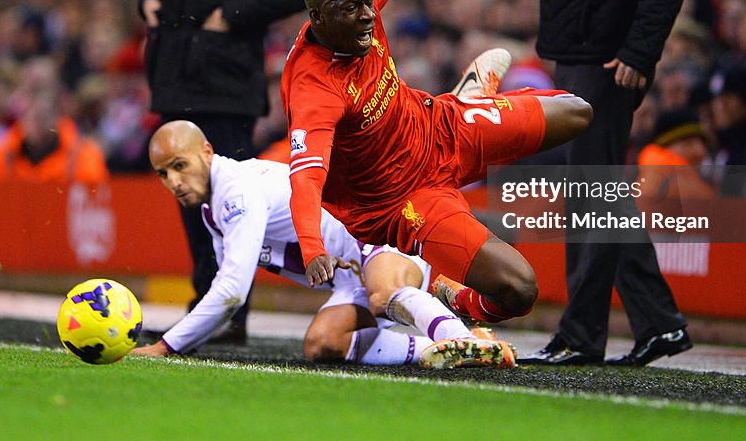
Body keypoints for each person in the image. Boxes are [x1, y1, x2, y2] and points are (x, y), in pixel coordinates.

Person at [437, 0, 689, 366]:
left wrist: (638, 51)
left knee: (590, 194)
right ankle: (660, 324)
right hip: (582, 53)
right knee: (601, 194)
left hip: (606, 61)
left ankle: (581, 336)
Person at [281, 0, 594, 331]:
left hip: (439, 127)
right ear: (318, 17)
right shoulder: (314, 90)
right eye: (354, 10)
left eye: (369, 2)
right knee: (519, 290)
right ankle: (462, 300)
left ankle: (466, 98)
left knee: (577, 111)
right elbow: (306, 181)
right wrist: (313, 249)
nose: (369, 15)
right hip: (406, 200)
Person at [130, 120, 516, 369]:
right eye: (163, 173)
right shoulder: (211, 210)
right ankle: (446, 345)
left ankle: (457, 337)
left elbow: (232, 291)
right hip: (352, 274)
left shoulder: (236, 192)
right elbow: (225, 292)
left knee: (383, 294)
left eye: (180, 166)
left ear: (206, 152)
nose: (173, 181)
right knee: (322, 344)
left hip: (378, 234)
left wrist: (168, 346)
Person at [138, 0, 312, 337]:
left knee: (228, 204)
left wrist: (230, 16)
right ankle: (210, 307)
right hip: (175, 72)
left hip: (224, 80)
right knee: (191, 202)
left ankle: (221, 313)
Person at [0, 57, 108, 186]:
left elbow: (95, 198)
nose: (37, 118)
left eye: (44, 89)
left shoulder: (84, 156)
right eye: (31, 90)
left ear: (59, 110)